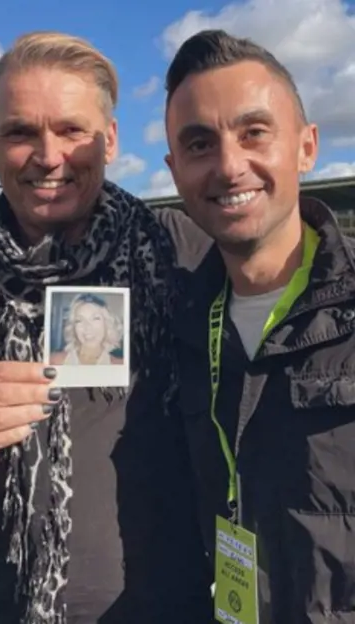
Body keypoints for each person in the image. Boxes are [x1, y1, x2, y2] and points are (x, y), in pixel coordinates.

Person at [0, 31, 214, 623]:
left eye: (71, 129)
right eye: (19, 132)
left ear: (110, 139)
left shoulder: (182, 250)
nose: (48, 154)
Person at [163, 29, 355, 623]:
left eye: (254, 133)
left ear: (305, 147)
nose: (228, 165)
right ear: (174, 170)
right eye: (199, 144)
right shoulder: (180, 328)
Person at [49, 293, 124, 365]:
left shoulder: (120, 365)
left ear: (107, 324)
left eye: (95, 318)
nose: (87, 327)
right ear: (73, 328)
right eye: (80, 320)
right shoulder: (54, 362)